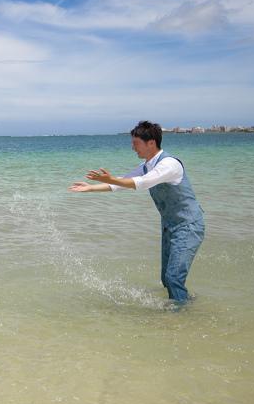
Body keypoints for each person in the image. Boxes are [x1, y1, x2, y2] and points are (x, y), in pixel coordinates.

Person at [68, 121, 204, 302]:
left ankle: (179, 316)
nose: (132, 148)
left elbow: (143, 183)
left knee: (174, 278)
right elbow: (122, 183)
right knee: (167, 278)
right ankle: (185, 303)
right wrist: (91, 188)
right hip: (170, 226)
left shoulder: (169, 165)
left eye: (136, 143)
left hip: (188, 225)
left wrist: (112, 180)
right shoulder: (147, 165)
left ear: (151, 142)